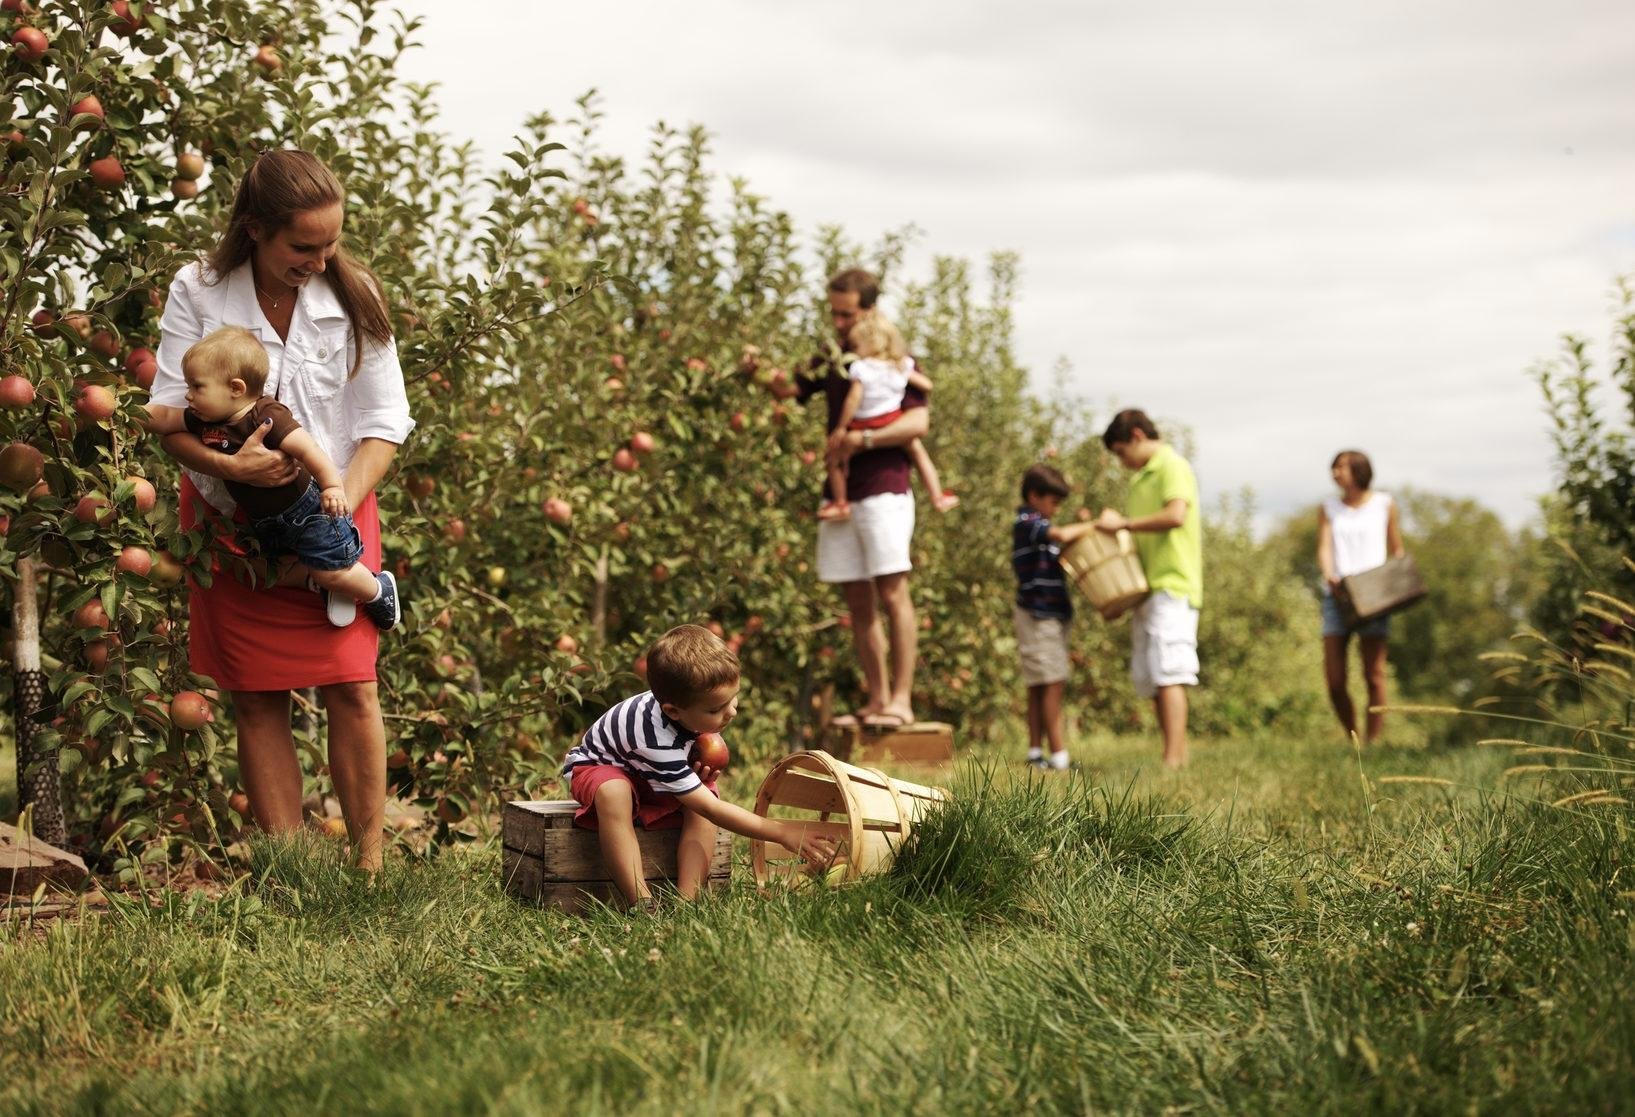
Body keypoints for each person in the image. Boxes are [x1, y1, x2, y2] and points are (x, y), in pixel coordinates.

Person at [147, 149, 414, 870]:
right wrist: (229, 466)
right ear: (256, 230)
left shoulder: (355, 293)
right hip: (231, 519)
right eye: (304, 245)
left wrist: (331, 514)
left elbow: (384, 423)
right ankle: (288, 867)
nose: (321, 258)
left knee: (353, 685)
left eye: (331, 241)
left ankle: (367, 863)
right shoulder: (200, 290)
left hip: (336, 499)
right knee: (257, 695)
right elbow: (172, 417)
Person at [560, 625, 838, 909]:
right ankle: (640, 902)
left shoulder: (686, 708)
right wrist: (780, 831)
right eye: (715, 709)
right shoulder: (654, 739)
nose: (731, 712)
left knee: (703, 794)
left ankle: (686, 901)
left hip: (646, 773)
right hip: (601, 767)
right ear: (673, 711)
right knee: (616, 792)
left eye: (732, 699)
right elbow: (711, 809)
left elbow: (701, 802)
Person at [146, 326, 400, 630]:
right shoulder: (204, 420)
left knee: (330, 571)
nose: (188, 395)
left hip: (310, 515)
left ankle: (377, 589)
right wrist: (124, 414)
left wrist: (332, 486)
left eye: (197, 387)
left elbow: (309, 451)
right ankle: (321, 578)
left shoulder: (265, 416)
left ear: (235, 388)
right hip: (267, 523)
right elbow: (165, 418)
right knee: (264, 570)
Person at [775, 268, 928, 729]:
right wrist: (758, 370)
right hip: (840, 495)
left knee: (893, 593)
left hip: (884, 488)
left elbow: (916, 425)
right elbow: (789, 389)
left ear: (870, 309)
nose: (840, 323)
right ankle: (878, 699)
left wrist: (859, 441)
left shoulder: (898, 361)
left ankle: (902, 699)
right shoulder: (835, 358)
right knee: (857, 602)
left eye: (848, 314)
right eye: (834, 314)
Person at [1095, 409, 1202, 769]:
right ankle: (1174, 754)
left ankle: (1173, 761)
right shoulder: (1139, 480)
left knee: (1170, 670)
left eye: (1122, 452)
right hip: (1148, 588)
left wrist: (1122, 523)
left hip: (1173, 583)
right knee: (1153, 675)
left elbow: (1175, 516)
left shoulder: (1173, 466)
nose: (1122, 463)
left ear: (1138, 436)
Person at [818, 311, 958, 521]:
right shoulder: (900, 365)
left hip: (865, 422)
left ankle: (840, 502)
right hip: (892, 420)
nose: (854, 351)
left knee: (835, 458)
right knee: (918, 451)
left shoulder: (862, 368)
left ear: (871, 344)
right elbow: (928, 385)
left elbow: (852, 401)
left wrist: (841, 427)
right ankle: (937, 496)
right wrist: (906, 376)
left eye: (856, 346)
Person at [1317, 449, 1405, 743]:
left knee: (1374, 673)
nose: (1335, 473)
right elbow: (1325, 546)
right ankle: (1352, 735)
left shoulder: (1384, 504)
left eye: (1341, 467)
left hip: (1375, 594)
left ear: (1359, 470)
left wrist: (1401, 580)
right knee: (1335, 679)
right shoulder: (1328, 507)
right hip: (1338, 595)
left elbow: (1396, 548)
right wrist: (1328, 573)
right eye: (1334, 468)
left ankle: (1373, 742)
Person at [1013, 464, 1095, 770]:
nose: (1055, 509)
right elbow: (1059, 533)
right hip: (1038, 613)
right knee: (1051, 682)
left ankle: (1036, 753)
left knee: (1039, 683)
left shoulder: (1039, 527)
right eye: (1053, 502)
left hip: (1048, 612)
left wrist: (1082, 527)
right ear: (1034, 496)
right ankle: (1059, 756)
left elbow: (1060, 544)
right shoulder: (1027, 522)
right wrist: (1095, 525)